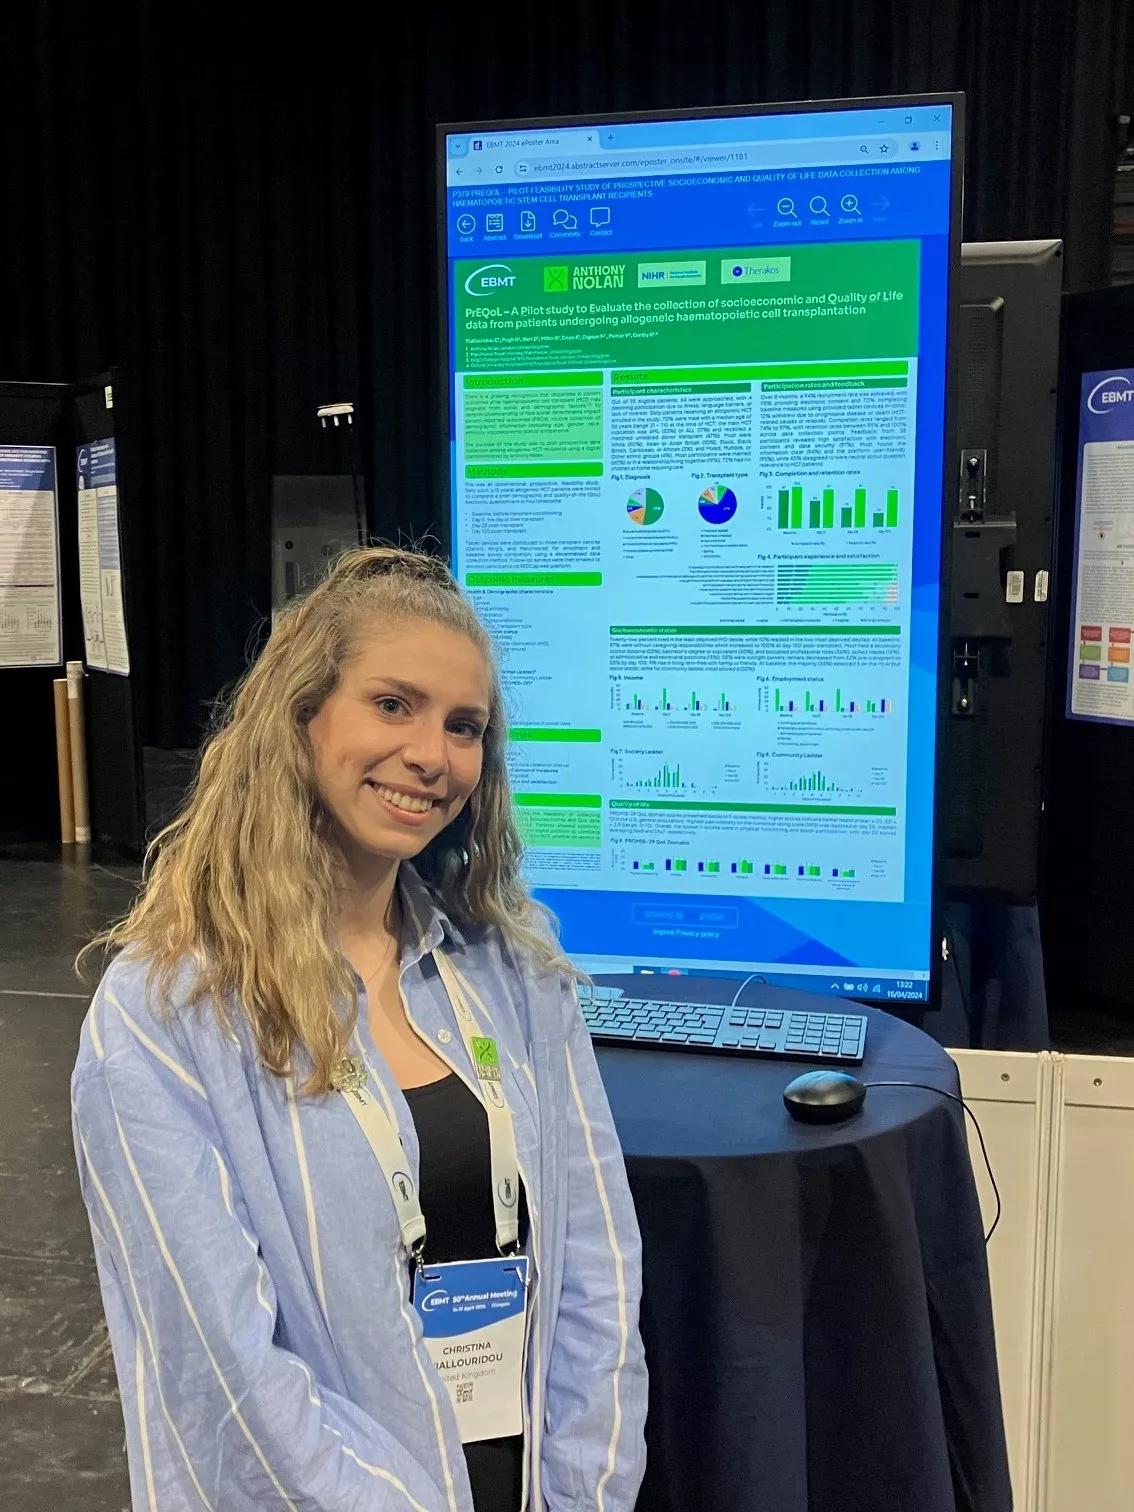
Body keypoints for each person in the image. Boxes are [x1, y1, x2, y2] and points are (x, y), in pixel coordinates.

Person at [72, 546, 647, 1511]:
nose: (432, 754)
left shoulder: (515, 970)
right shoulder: (167, 1012)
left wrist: (587, 1495)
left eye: (464, 726)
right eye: (393, 705)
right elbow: (225, 1375)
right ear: (301, 719)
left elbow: (598, 1279)